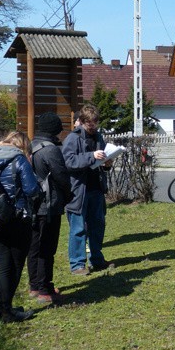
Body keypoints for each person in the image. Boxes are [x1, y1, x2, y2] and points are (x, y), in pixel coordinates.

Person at [0, 131, 40, 323]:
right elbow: (32, 190)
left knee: (2, 265)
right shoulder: (19, 159)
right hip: (16, 217)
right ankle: (7, 311)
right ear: (22, 146)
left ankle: (3, 308)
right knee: (14, 265)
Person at [62, 105, 113, 275]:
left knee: (97, 226)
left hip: (96, 188)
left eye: (95, 123)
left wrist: (107, 164)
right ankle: (77, 264)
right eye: (90, 123)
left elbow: (102, 160)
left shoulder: (98, 137)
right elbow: (68, 161)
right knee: (78, 228)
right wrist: (91, 156)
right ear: (82, 122)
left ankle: (97, 259)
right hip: (78, 191)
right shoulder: (72, 138)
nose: (93, 126)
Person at [27, 112, 71, 303]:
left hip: (33, 204)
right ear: (55, 130)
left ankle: (35, 286)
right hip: (48, 205)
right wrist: (68, 195)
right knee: (47, 247)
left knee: (34, 246)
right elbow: (62, 178)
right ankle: (46, 289)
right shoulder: (51, 150)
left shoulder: (32, 145)